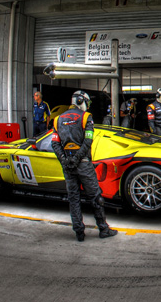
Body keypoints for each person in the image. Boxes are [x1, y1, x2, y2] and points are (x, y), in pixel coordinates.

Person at [51, 90, 117, 242]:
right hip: (84, 165)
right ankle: (103, 229)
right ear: (81, 101)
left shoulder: (58, 119)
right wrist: (77, 158)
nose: (87, 105)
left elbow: (54, 143)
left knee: (73, 198)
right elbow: (88, 141)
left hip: (67, 165)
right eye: (87, 102)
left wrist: (65, 159)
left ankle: (79, 233)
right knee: (95, 197)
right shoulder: (86, 117)